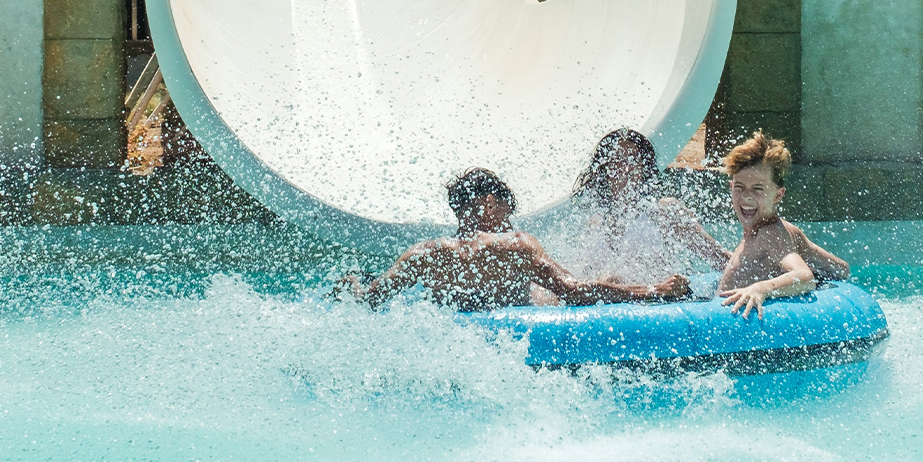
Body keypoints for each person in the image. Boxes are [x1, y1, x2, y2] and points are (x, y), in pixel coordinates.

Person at [343, 167, 691, 312]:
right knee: (611, 281)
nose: (509, 221)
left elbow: (372, 299)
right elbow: (573, 291)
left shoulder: (423, 254)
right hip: (526, 334)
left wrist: (352, 288)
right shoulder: (515, 245)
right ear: (490, 203)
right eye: (507, 212)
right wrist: (654, 291)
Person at [569, 128, 730, 283]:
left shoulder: (664, 211)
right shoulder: (596, 223)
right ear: (605, 171)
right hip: (613, 305)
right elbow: (585, 279)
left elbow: (718, 258)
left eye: (632, 160)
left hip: (658, 304)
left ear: (643, 168)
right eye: (616, 161)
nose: (624, 168)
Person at [717, 131, 850, 318]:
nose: (746, 196)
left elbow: (804, 276)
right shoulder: (774, 230)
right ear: (731, 187)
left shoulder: (770, 233)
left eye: (757, 189)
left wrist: (760, 288)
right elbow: (841, 269)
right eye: (739, 187)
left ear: (778, 195)